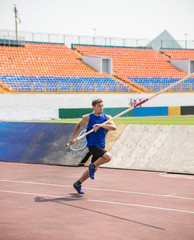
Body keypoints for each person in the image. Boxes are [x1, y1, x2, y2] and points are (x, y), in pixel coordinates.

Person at [68, 98, 117, 194]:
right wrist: (73, 138)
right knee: (108, 157)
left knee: (93, 169)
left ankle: (78, 183)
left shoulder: (107, 117)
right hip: (93, 145)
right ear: (93, 107)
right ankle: (92, 166)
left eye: (102, 106)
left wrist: (101, 125)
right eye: (99, 106)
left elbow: (114, 127)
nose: (101, 108)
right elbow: (78, 125)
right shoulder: (88, 117)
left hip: (101, 145)